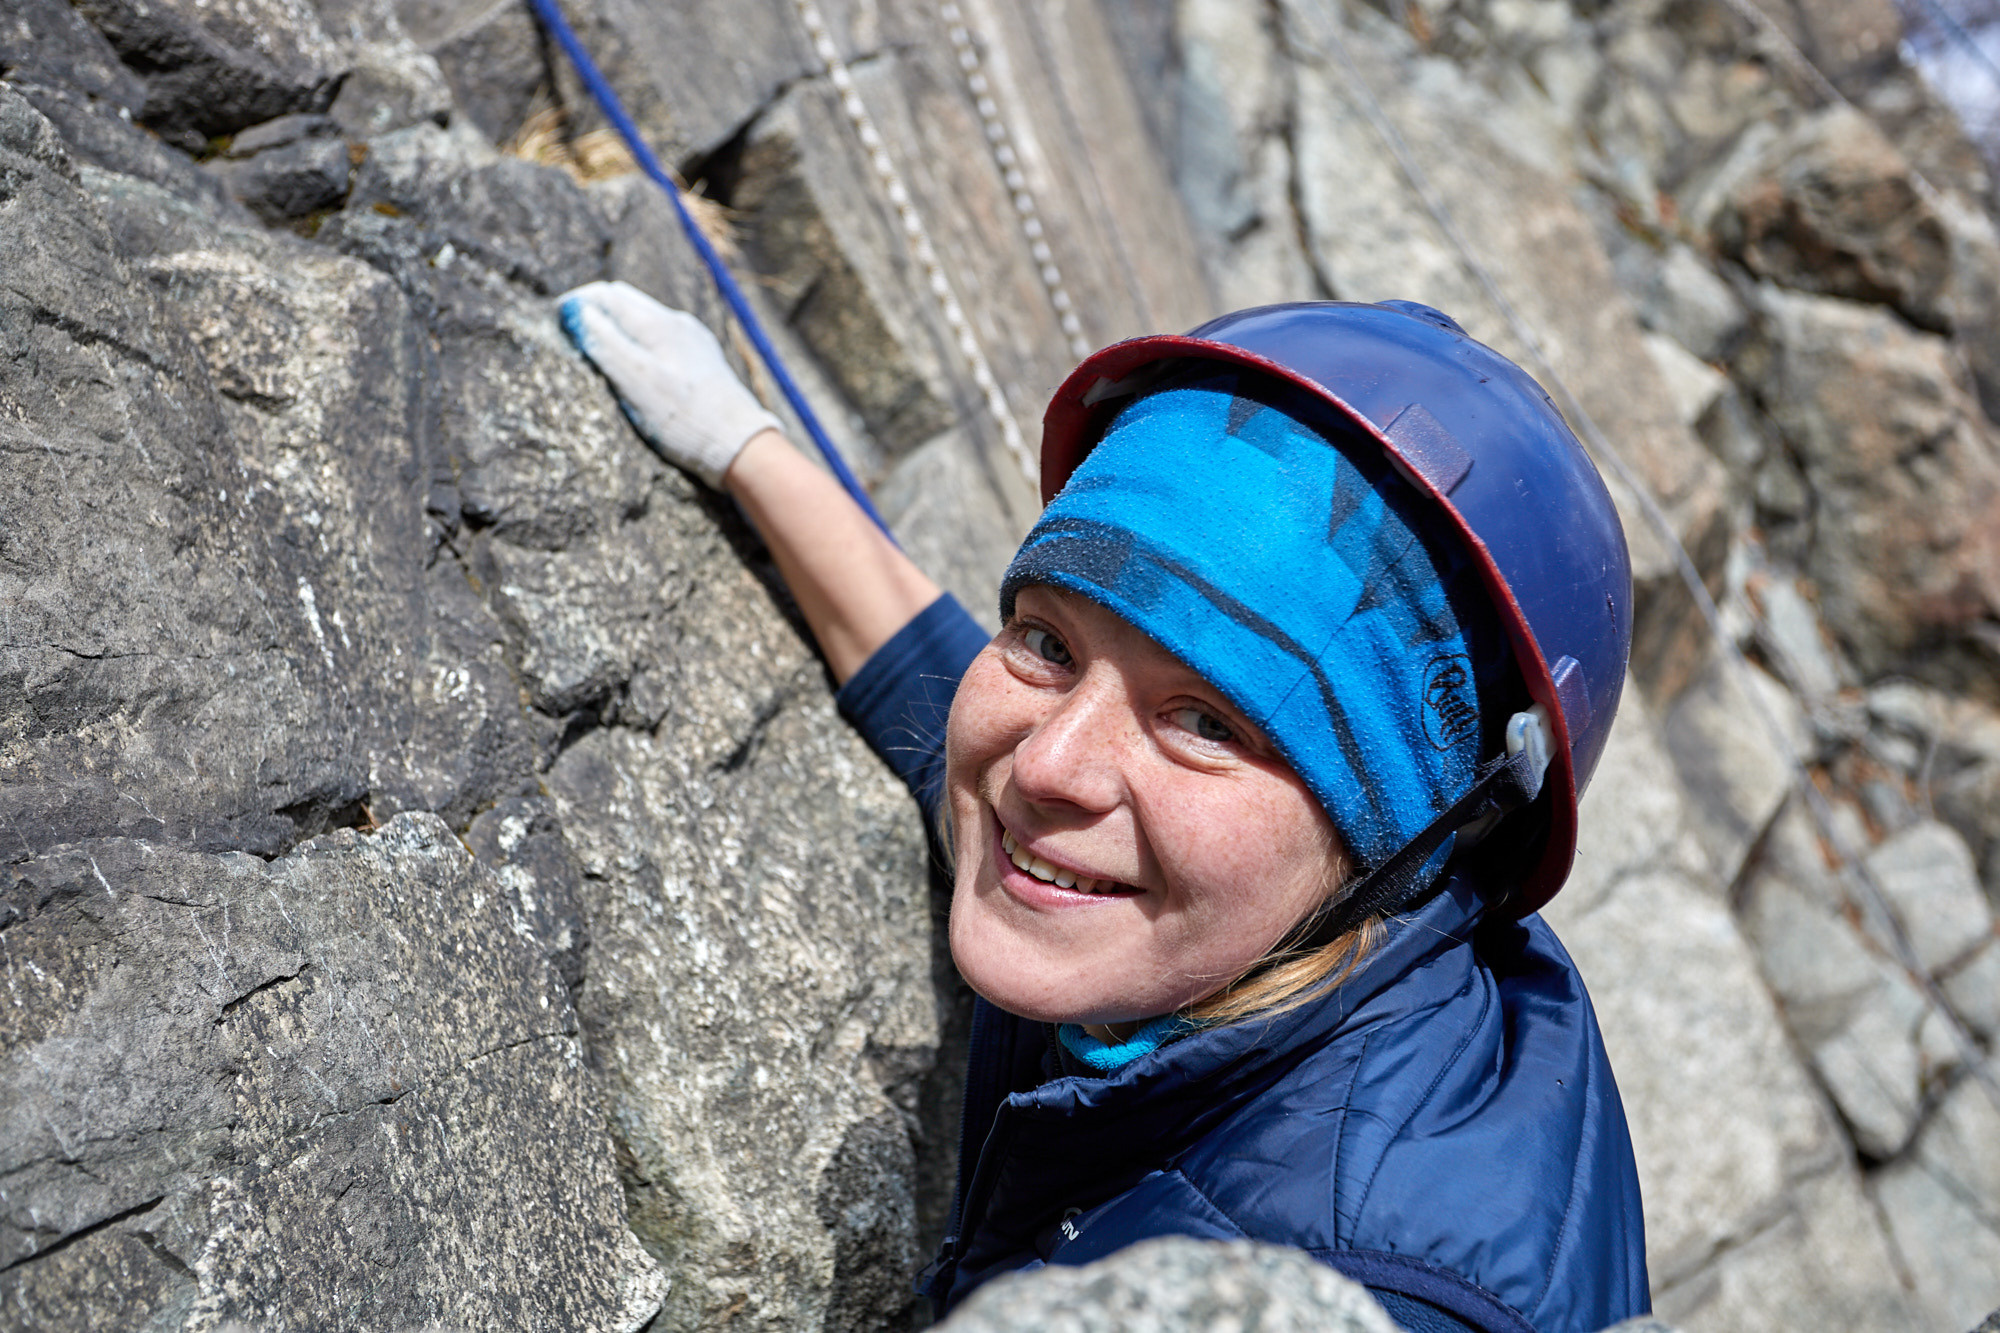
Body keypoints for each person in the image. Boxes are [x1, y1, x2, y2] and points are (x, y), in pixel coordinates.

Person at [559, 282, 1651, 1333]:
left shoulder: (1372, 1288)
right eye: (1045, 640)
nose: (1046, 766)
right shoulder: (1231, 927)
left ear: (1399, 846)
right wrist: (743, 447)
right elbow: (928, 674)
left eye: (1208, 723)